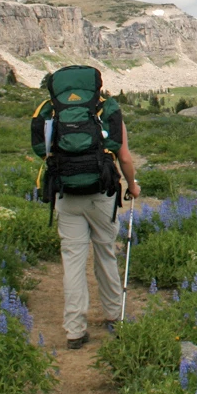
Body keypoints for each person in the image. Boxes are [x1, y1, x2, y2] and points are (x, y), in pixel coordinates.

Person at [55, 107, 141, 350]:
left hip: (67, 194)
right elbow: (124, 157)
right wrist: (132, 186)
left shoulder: (57, 111)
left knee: (72, 260)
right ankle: (114, 315)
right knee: (105, 253)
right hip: (101, 194)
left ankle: (74, 330)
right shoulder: (108, 111)